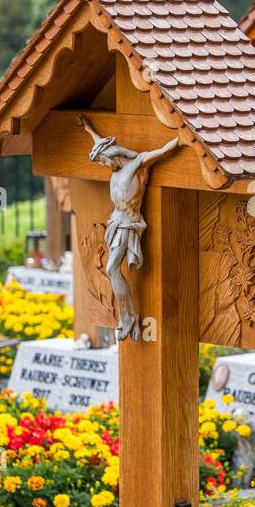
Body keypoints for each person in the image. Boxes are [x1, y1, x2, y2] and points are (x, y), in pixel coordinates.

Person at [77, 116, 180, 340]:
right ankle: (128, 316)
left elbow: (162, 151)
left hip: (128, 226)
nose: (104, 166)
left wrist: (184, 136)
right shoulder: (114, 172)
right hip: (115, 223)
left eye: (104, 161)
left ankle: (127, 317)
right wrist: (89, 129)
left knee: (112, 269)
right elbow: (101, 143)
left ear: (112, 156)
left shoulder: (137, 167)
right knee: (111, 269)